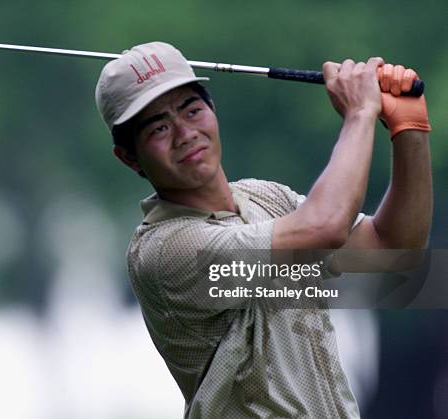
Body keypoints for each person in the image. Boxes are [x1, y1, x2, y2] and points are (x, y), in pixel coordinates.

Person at [94, 42, 432, 418]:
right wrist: (360, 114)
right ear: (128, 157)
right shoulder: (165, 251)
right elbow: (326, 226)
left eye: (192, 110)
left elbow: (392, 248)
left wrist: (409, 128)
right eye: (158, 127)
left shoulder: (265, 197)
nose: (184, 133)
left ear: (212, 111)